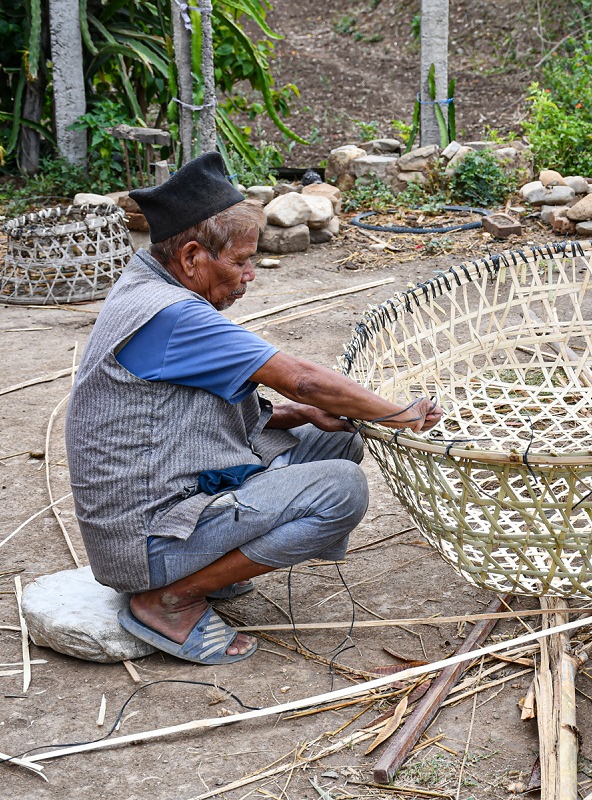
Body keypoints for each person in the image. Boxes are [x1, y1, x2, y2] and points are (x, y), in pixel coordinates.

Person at [64, 152, 442, 665]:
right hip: (144, 540)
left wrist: (299, 415)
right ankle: (169, 599)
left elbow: (186, 414)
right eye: (240, 261)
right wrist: (398, 413)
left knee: (336, 437)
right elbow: (305, 379)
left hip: (168, 497)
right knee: (341, 489)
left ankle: (205, 570)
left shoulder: (148, 282)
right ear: (194, 256)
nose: (250, 275)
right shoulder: (172, 316)